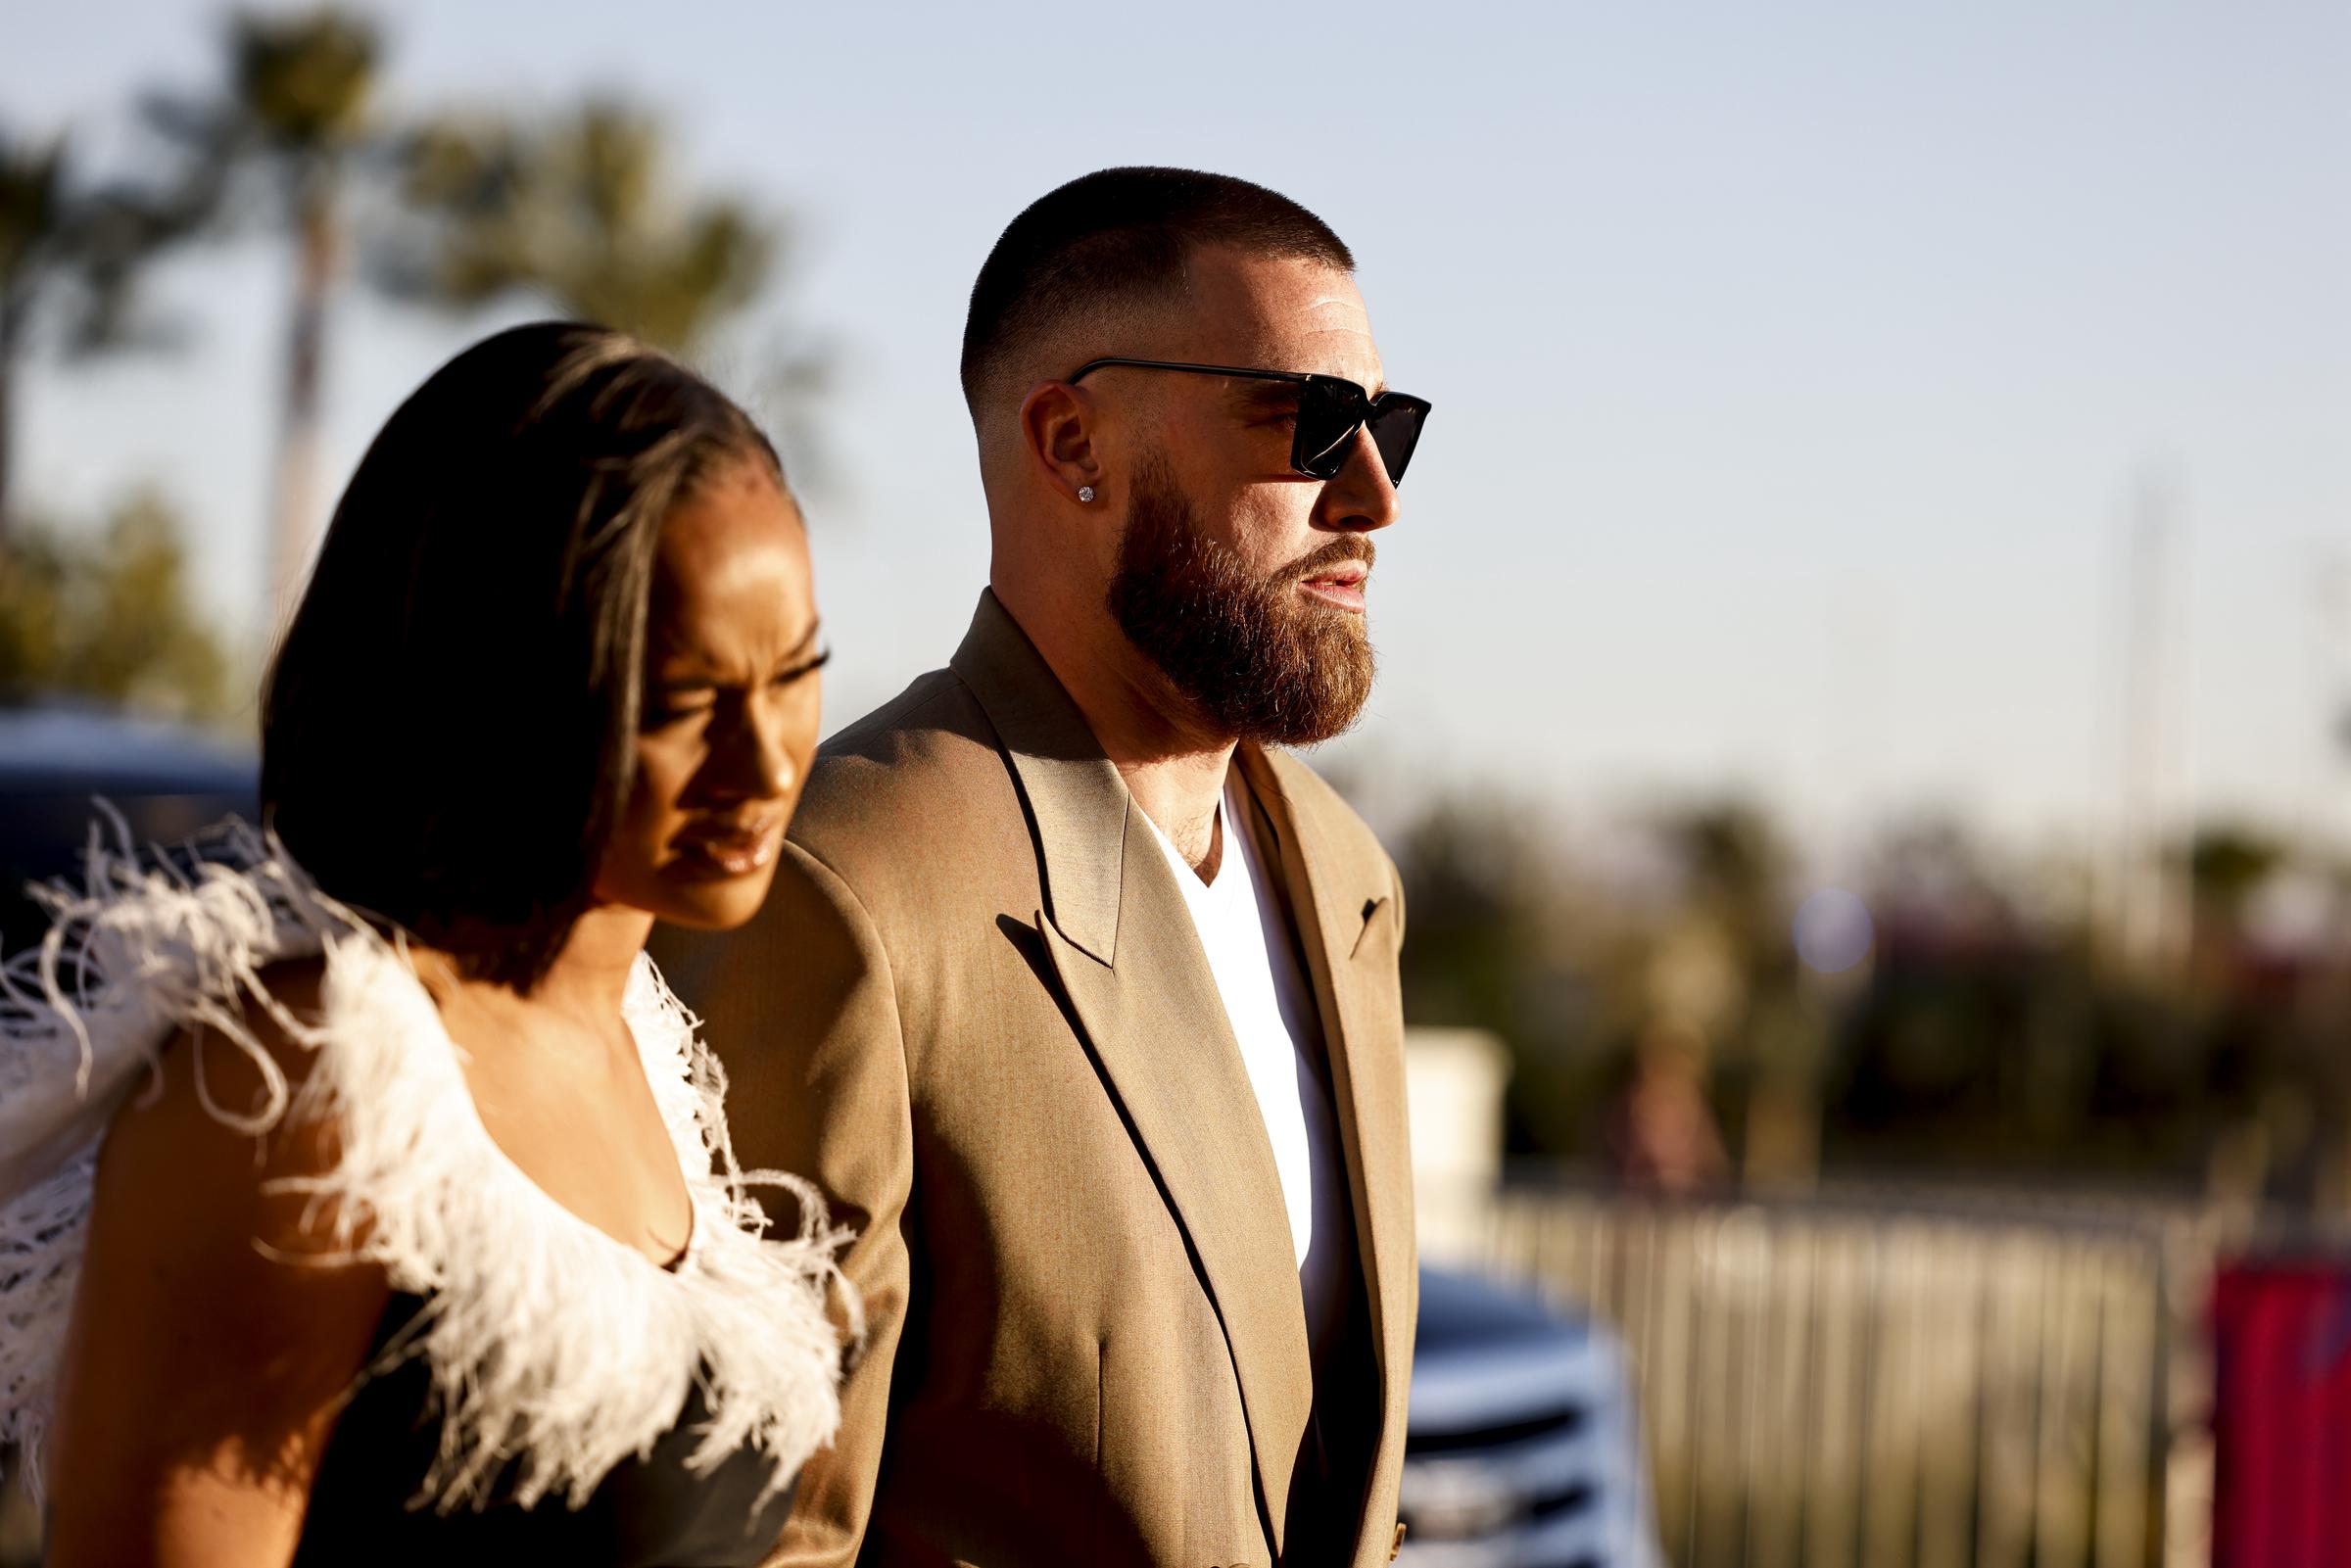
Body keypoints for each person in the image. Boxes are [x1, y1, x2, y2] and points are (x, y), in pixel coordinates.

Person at [652, 166, 1433, 1566]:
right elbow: (761, 1530)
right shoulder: (846, 888)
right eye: (1311, 423)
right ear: (1073, 438)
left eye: (1390, 429)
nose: (1370, 496)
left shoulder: (1345, 879)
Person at [0, 322, 849, 1565]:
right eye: (678, 699)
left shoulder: (645, 1045)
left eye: (797, 670)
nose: (767, 759)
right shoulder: (307, 1079)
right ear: (502, 678)